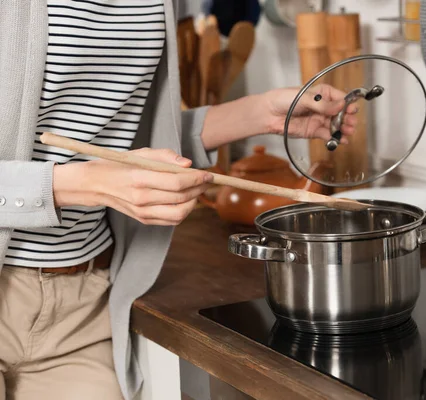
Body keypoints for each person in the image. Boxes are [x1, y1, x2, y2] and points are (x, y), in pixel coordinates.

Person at [0, 1, 357, 399]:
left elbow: (121, 137)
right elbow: (92, 170)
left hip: (82, 305)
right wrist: (79, 184)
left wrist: (260, 114)